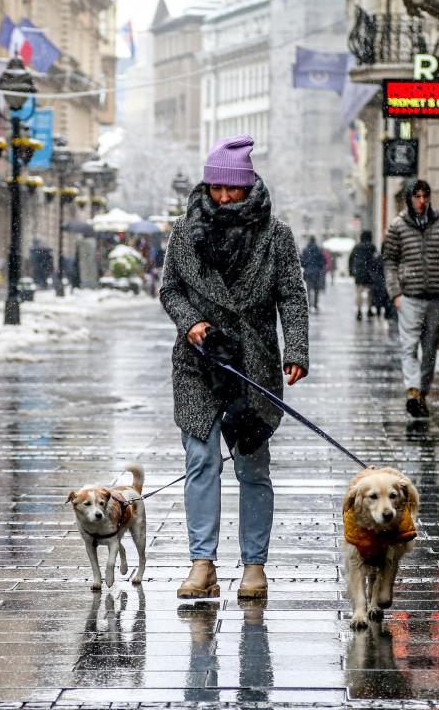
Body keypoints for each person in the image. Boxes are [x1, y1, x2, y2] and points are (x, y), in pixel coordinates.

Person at [159, 134, 309, 601]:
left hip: (253, 361)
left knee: (251, 464)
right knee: (201, 460)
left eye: (233, 189)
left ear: (249, 186)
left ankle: (253, 567)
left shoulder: (276, 236)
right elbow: (170, 290)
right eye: (216, 188)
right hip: (199, 363)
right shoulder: (185, 232)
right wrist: (191, 322)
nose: (224, 197)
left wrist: (296, 350)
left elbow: (292, 295)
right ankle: (201, 564)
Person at [382, 179, 439, 418]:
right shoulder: (398, 226)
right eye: (417, 196)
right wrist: (395, 293)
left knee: (429, 349)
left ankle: (422, 393)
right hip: (409, 295)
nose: (421, 201)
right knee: (409, 346)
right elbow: (389, 262)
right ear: (409, 199)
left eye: (425, 196)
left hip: (437, 296)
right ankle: (412, 390)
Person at [348, 230, 380, 320]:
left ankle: (359, 310)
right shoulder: (372, 247)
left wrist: (351, 271)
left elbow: (351, 259)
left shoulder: (357, 247)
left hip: (359, 272)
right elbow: (376, 259)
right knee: (370, 292)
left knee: (359, 292)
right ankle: (369, 309)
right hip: (370, 272)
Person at [300, 236, 327, 312]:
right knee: (316, 289)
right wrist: (319, 266)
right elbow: (323, 261)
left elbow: (302, 261)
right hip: (317, 272)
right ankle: (315, 305)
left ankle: (308, 304)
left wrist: (306, 266)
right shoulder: (318, 249)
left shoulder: (305, 249)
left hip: (308, 272)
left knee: (308, 289)